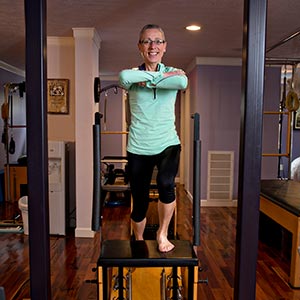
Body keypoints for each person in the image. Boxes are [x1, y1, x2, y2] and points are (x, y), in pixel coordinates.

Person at [119, 24, 188, 252]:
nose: (153, 46)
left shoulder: (172, 72)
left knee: (166, 184)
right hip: (139, 145)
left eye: (158, 41)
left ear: (165, 46)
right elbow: (123, 77)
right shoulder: (132, 74)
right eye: (147, 41)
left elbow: (181, 82)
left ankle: (162, 234)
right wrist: (162, 78)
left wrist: (147, 79)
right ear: (140, 46)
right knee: (139, 200)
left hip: (168, 142)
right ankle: (138, 240)